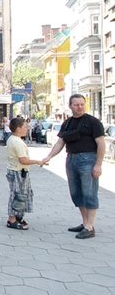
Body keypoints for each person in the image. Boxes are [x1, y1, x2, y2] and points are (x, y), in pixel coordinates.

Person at [42, 94, 105, 239]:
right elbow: (60, 143)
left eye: (82, 104)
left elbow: (101, 143)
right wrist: (49, 156)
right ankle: (84, 223)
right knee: (76, 193)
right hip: (71, 159)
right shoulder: (67, 123)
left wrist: (98, 165)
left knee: (89, 193)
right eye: (76, 104)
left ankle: (90, 226)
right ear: (70, 106)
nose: (80, 107)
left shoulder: (93, 122)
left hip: (88, 159)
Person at [5, 117, 48, 230]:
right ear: (19, 129)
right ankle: (12, 219)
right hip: (18, 172)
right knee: (18, 195)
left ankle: (18, 215)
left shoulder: (13, 139)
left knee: (24, 194)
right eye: (25, 126)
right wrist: (38, 162)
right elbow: (23, 160)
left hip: (18, 171)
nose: (27, 128)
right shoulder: (17, 142)